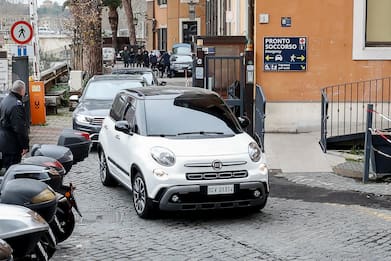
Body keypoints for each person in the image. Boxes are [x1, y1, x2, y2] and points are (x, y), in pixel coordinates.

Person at [0, 80, 29, 170]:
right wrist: (24, 146)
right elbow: (19, 129)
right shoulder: (16, 105)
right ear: (22, 90)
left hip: (4, 141)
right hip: (12, 145)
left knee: (6, 167)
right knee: (12, 170)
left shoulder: (6, 100)